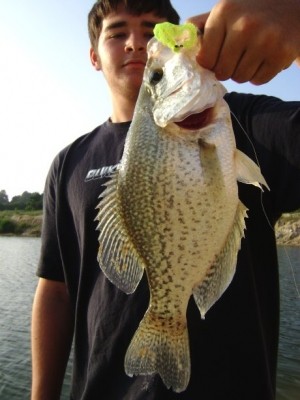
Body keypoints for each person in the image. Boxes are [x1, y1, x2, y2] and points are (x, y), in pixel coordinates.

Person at [31, 0, 300, 399]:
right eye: (118, 32)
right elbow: (55, 289)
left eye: (152, 31)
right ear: (93, 56)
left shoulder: (248, 123)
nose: (136, 44)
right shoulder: (68, 163)